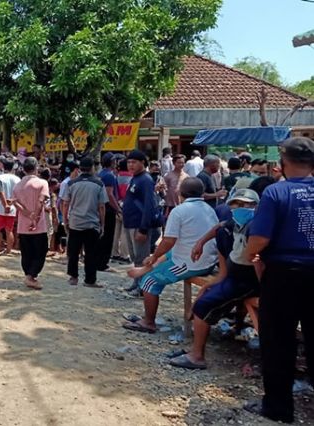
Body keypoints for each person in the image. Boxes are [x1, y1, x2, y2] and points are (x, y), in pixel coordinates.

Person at [243, 137, 314, 423]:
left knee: (278, 341)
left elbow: (260, 238)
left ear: (283, 163)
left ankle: (278, 408)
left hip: (284, 274)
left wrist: (250, 255)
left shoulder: (275, 193)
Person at [171, 189, 264, 370]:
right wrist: (201, 242)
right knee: (204, 295)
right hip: (234, 276)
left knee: (203, 305)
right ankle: (198, 348)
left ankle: (197, 356)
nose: (241, 209)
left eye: (247, 205)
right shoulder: (234, 226)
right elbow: (220, 227)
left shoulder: (256, 228)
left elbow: (259, 262)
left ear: (256, 206)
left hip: (248, 281)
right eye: (237, 205)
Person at [122, 178, 218, 333]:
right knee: (167, 255)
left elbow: (168, 241)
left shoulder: (179, 211)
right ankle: (143, 270)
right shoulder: (208, 208)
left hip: (192, 263)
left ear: (180, 192)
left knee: (149, 282)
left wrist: (153, 256)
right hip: (207, 258)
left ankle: (148, 322)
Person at [62, 156, 107, 287]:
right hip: (92, 223)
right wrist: (102, 224)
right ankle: (90, 280)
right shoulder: (99, 184)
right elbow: (102, 206)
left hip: (75, 222)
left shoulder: (71, 183)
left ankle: (73, 277)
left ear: (80, 168)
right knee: (91, 253)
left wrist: (65, 220)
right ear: (92, 168)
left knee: (73, 252)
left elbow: (65, 204)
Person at [122, 151, 161, 293]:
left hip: (139, 225)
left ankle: (142, 287)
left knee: (142, 258)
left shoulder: (145, 179)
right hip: (130, 223)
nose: (130, 165)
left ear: (142, 163)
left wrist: (143, 229)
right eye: (129, 162)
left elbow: (149, 205)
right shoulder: (135, 178)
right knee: (135, 257)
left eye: (134, 162)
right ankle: (136, 283)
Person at [12, 157, 49, 289]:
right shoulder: (42, 183)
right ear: (36, 167)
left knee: (26, 252)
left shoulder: (18, 185)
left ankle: (29, 275)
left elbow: (15, 202)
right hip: (38, 226)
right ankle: (31, 276)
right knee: (41, 251)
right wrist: (35, 218)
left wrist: (27, 214)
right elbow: (41, 201)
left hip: (23, 225)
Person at [0, 158, 21, 256]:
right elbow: (19, 195)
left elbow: (0, 192)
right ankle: (8, 250)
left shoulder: (0, 178)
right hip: (12, 209)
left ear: (3, 166)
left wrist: (5, 205)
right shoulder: (18, 179)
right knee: (9, 230)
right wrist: (10, 204)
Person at [97, 153, 121, 271]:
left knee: (101, 235)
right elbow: (109, 194)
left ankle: (99, 261)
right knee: (107, 236)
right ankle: (103, 263)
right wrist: (118, 209)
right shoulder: (109, 176)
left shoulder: (100, 174)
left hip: (101, 208)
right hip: (108, 209)